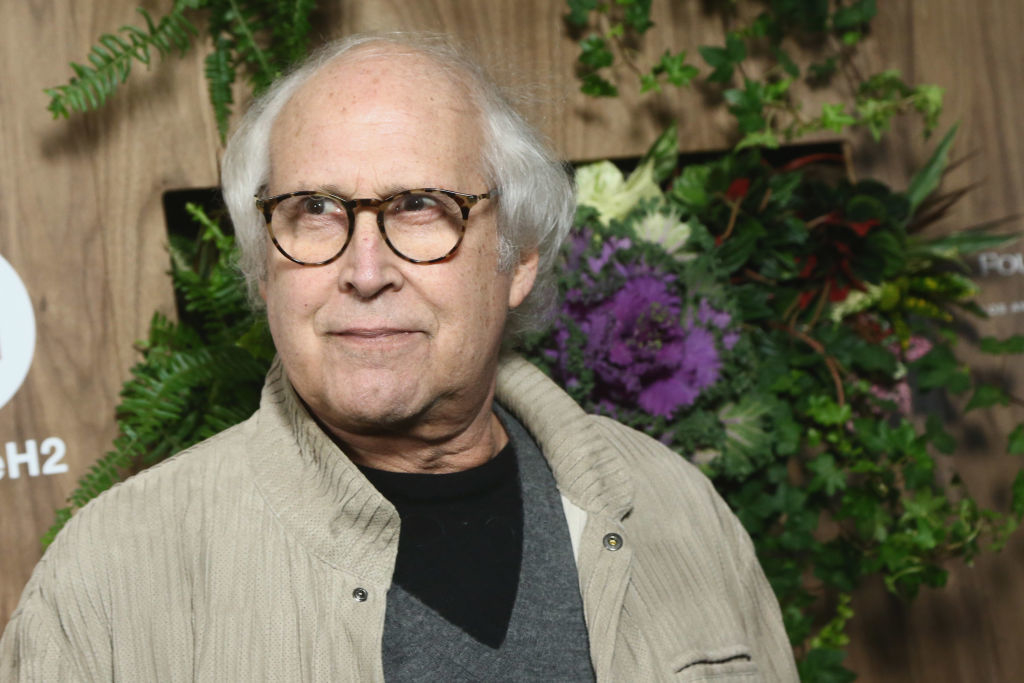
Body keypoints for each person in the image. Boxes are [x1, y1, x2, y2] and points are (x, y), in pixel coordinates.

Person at [1, 32, 797, 681]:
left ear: (517, 255)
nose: (367, 270)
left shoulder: (674, 507)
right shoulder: (110, 581)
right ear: (263, 262)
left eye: (420, 206)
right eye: (314, 210)